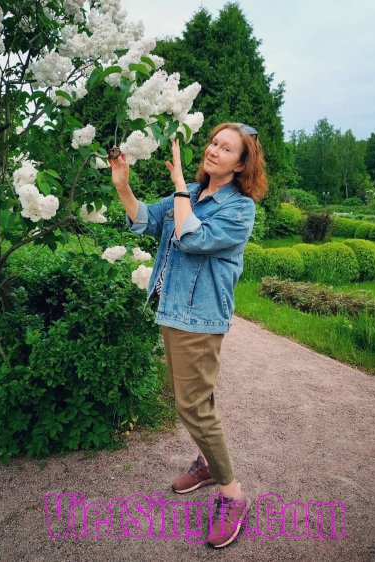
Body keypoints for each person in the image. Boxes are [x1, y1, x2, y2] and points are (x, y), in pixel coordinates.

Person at [109, 122, 268, 548]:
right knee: (198, 399)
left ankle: (232, 495)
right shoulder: (193, 194)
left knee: (193, 406)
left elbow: (192, 236)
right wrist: (123, 185)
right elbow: (146, 220)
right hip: (173, 310)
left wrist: (180, 186)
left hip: (200, 318)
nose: (214, 150)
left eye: (226, 148)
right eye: (214, 142)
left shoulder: (240, 209)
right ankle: (206, 463)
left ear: (241, 165)